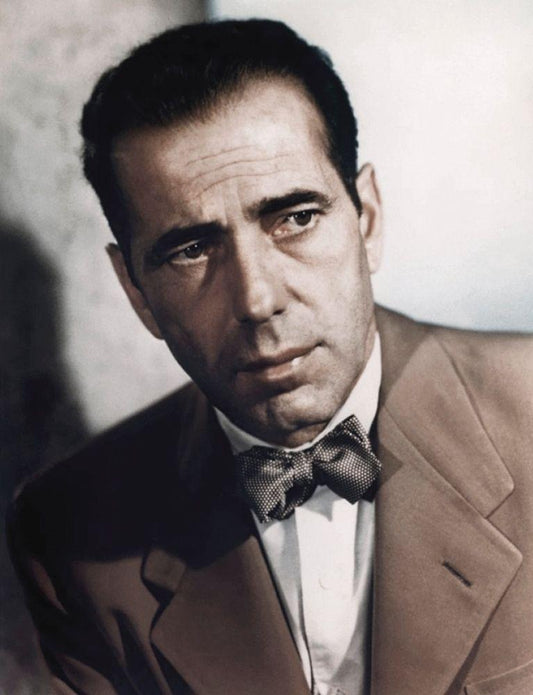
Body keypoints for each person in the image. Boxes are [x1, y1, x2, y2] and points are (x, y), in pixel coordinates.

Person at [7, 18, 533, 695]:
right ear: (137, 292)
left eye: (295, 217)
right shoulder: (72, 532)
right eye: (190, 249)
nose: (257, 300)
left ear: (367, 220)